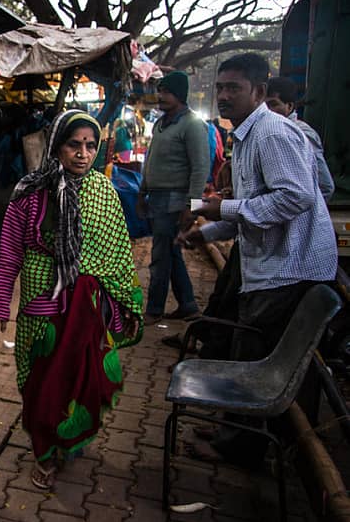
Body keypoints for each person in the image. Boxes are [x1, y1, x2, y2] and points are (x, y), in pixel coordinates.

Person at [183, 53, 337, 467]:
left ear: (260, 92)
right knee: (247, 350)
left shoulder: (271, 133)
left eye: (233, 88)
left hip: (288, 268)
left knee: (255, 356)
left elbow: (295, 196)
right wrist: (207, 230)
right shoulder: (246, 136)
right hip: (271, 263)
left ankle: (242, 446)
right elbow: (251, 207)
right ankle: (238, 431)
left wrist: (222, 210)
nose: (223, 96)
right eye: (220, 88)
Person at [0, 110, 143, 490]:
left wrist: (127, 302)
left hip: (88, 310)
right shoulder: (30, 192)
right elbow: (10, 252)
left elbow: (118, 253)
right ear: (57, 146)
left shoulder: (104, 191)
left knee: (79, 379)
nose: (83, 154)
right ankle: (44, 452)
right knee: (43, 382)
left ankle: (68, 440)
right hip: (44, 302)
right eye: (74, 145)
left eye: (90, 146)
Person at [139, 71, 209, 324]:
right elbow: (150, 161)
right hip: (157, 198)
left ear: (180, 95)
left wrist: (192, 206)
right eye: (160, 91)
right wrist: (142, 192)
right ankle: (188, 305)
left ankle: (154, 309)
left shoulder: (192, 124)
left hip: (175, 200)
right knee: (171, 252)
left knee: (160, 257)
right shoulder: (161, 123)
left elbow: (200, 168)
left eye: (166, 92)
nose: (161, 96)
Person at [265, 76, 334, 201]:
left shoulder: (302, 134)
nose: (267, 111)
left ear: (289, 106)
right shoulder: (267, 132)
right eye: (263, 106)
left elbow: (325, 186)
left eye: (273, 104)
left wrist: (299, 209)